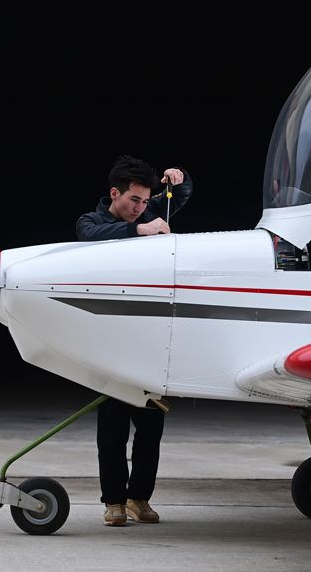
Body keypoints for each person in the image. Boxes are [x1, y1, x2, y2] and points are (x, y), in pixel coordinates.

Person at [76, 154, 193, 527]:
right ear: (115, 193)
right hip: (112, 341)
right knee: (112, 429)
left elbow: (180, 195)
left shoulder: (150, 210)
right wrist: (140, 230)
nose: (140, 208)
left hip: (150, 340)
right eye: (134, 200)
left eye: (145, 201)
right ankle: (113, 501)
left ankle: (138, 498)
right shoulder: (91, 221)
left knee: (150, 428)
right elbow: (90, 236)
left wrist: (179, 178)